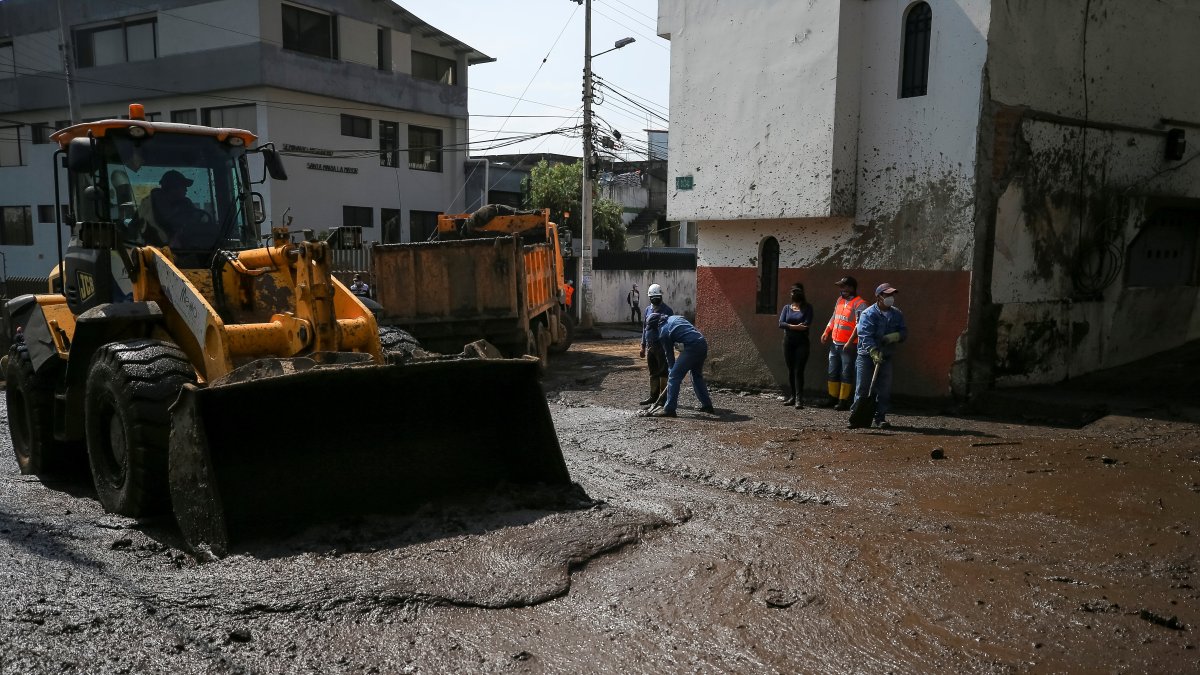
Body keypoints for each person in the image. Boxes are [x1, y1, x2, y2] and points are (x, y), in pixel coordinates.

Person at [849, 282, 908, 429]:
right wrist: (873, 352)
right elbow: (864, 335)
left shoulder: (897, 314)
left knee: (884, 389)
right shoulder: (868, 314)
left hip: (886, 356)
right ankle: (857, 416)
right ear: (879, 297)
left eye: (892, 295)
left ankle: (880, 417)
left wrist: (893, 337)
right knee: (863, 388)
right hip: (866, 356)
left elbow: (904, 333)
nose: (890, 297)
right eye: (887, 295)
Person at [648, 312, 714, 418]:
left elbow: (669, 356)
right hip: (702, 343)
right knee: (696, 375)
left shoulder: (663, 331)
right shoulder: (675, 318)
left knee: (674, 377)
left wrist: (672, 372)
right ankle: (707, 405)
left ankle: (669, 409)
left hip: (692, 347)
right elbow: (689, 331)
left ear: (656, 325)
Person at [819, 275, 867, 411]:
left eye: (843, 286)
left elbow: (859, 326)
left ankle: (843, 401)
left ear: (851, 288)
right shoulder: (839, 300)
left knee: (846, 373)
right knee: (832, 371)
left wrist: (850, 342)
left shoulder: (860, 304)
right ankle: (832, 398)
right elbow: (834, 317)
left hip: (849, 346)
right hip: (835, 343)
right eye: (840, 287)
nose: (841, 289)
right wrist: (826, 331)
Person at [137, 170, 209, 248]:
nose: (186, 190)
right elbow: (135, 232)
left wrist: (201, 218)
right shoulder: (148, 205)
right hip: (154, 251)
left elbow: (197, 219)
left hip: (186, 249)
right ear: (172, 188)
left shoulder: (185, 203)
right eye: (183, 186)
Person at [778, 282, 813, 408]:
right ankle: (792, 396)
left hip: (802, 342)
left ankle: (799, 398)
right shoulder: (787, 308)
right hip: (788, 342)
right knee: (791, 370)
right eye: (793, 292)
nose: (794, 294)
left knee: (799, 370)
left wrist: (792, 327)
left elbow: (806, 325)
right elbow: (781, 323)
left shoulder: (808, 308)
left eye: (797, 291)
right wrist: (794, 326)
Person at [638, 283, 674, 406]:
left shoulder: (668, 311)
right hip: (650, 346)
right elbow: (644, 328)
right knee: (653, 372)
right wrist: (642, 346)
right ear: (649, 298)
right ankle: (653, 396)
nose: (655, 299)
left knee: (663, 372)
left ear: (661, 297)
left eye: (657, 297)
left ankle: (662, 399)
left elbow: (670, 330)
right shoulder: (648, 310)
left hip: (662, 346)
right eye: (653, 298)